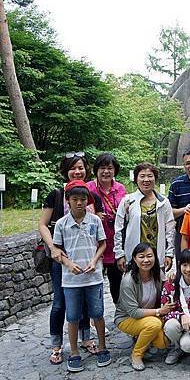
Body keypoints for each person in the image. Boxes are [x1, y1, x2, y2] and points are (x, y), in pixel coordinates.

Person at [39, 152, 103, 365]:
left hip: (86, 258)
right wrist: (53, 249)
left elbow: (97, 225)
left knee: (84, 300)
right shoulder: (57, 194)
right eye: (73, 168)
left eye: (81, 167)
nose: (78, 171)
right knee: (60, 302)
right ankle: (57, 345)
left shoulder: (89, 195)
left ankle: (85, 338)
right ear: (65, 170)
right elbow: (42, 224)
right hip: (62, 258)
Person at [52, 180, 111, 372]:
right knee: (73, 316)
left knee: (97, 313)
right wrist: (68, 264)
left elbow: (102, 244)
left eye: (83, 199)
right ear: (68, 201)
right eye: (75, 199)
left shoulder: (95, 221)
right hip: (70, 280)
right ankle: (74, 352)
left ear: (88, 200)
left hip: (94, 278)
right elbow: (57, 250)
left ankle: (102, 347)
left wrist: (94, 261)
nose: (79, 203)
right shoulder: (61, 224)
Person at [114, 243, 175, 371]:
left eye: (149, 256)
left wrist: (171, 280)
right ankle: (136, 354)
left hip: (149, 316)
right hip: (126, 318)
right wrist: (159, 311)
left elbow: (166, 291)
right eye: (141, 257)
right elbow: (134, 312)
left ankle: (141, 337)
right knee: (153, 325)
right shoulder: (128, 281)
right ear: (135, 259)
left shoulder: (157, 273)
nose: (146, 260)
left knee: (162, 343)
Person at [114, 163, 175, 279]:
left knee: (157, 290)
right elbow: (119, 229)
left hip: (157, 255)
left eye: (150, 176)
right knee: (134, 287)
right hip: (135, 254)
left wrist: (169, 253)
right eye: (142, 176)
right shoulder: (128, 201)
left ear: (155, 178)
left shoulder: (163, 202)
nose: (146, 180)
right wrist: (119, 254)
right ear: (136, 179)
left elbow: (170, 230)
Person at [87, 152, 127, 303]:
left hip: (115, 242)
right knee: (93, 282)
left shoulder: (121, 189)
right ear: (96, 170)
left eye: (109, 168)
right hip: (95, 244)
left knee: (116, 281)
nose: (106, 171)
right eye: (102, 168)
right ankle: (94, 315)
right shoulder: (88, 188)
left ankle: (120, 313)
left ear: (115, 170)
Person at [169, 147, 190, 261]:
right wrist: (184, 210)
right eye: (188, 163)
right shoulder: (176, 184)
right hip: (183, 233)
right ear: (184, 166)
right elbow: (169, 213)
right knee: (184, 266)